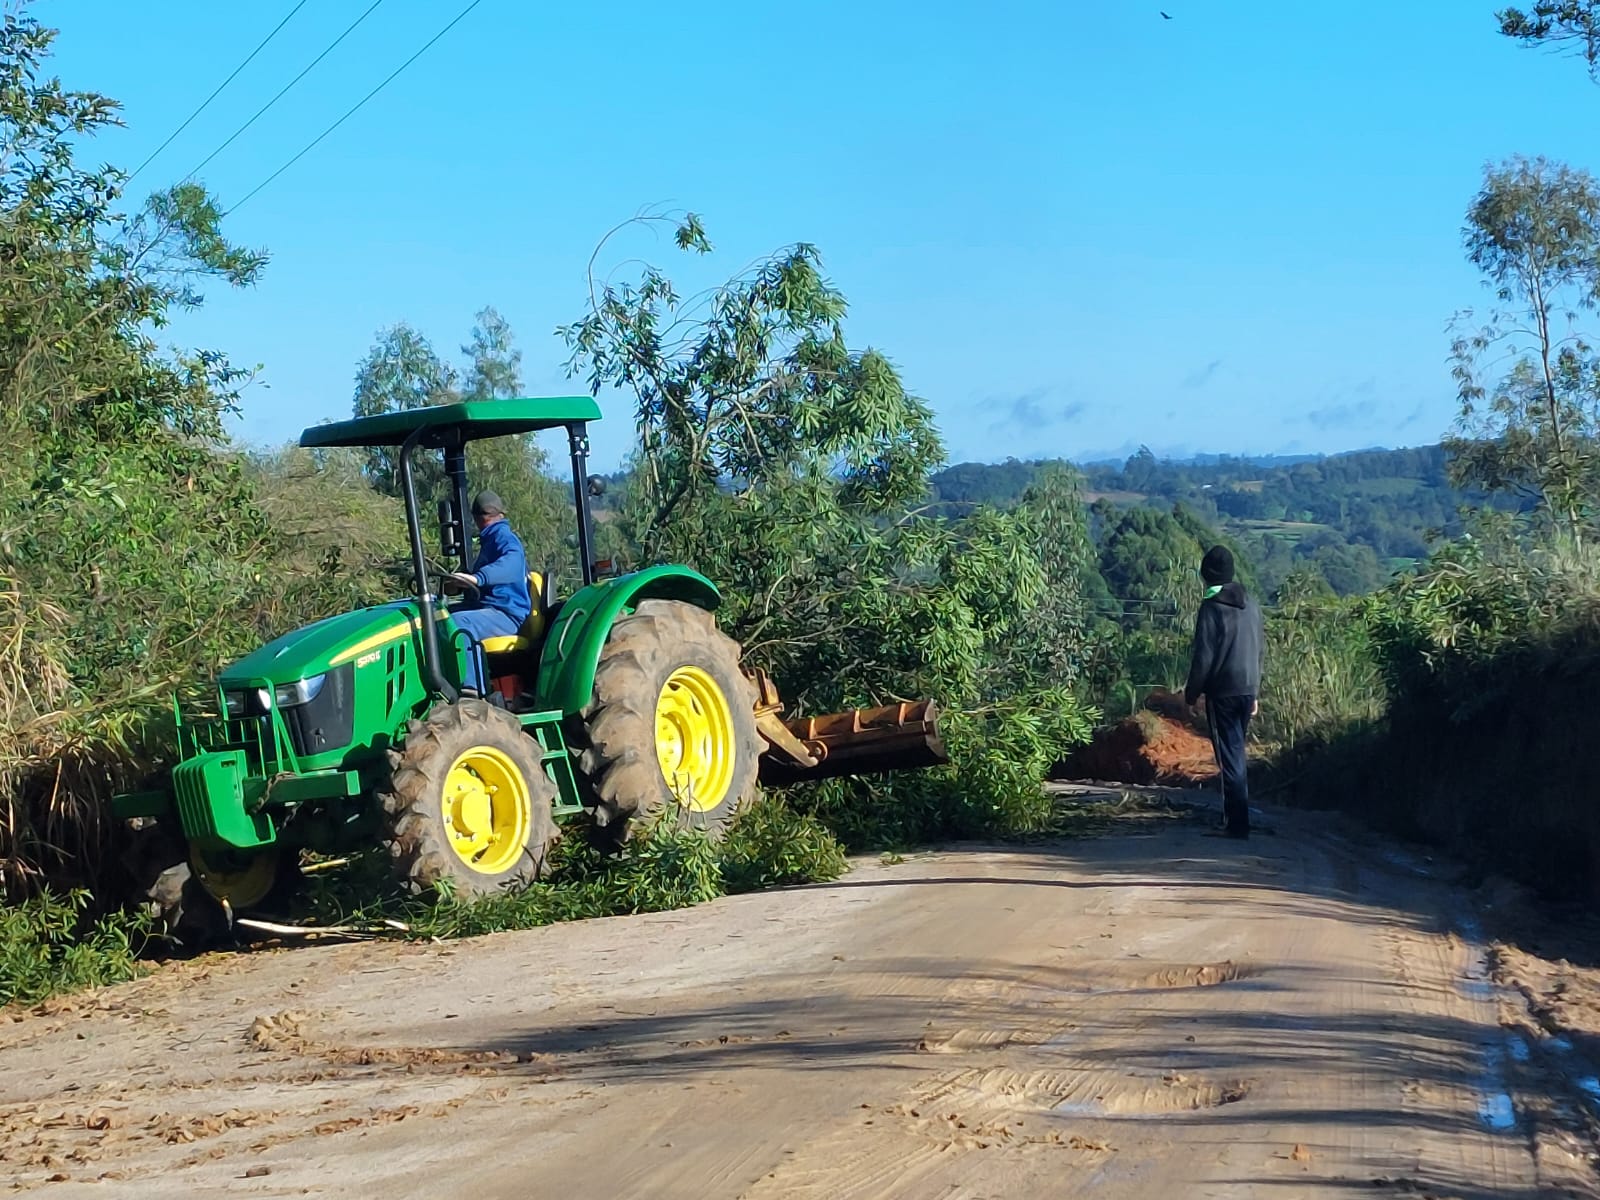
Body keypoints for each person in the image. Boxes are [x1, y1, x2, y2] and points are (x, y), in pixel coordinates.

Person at [1182, 545, 1264, 839]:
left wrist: (1192, 694)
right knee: (1236, 751)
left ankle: (1236, 824)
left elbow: (1203, 657)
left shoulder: (1212, 606)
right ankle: (1236, 819)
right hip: (1246, 688)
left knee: (1230, 757)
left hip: (1223, 691)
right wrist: (1254, 691)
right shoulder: (1251, 604)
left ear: (1207, 574)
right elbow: (1259, 650)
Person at [446, 491, 531, 695]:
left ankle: (473, 689)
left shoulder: (504, 538)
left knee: (459, 622)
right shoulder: (490, 540)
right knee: (440, 615)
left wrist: (477, 578)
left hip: (507, 615)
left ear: (478, 518)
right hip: (490, 610)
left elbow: (512, 563)